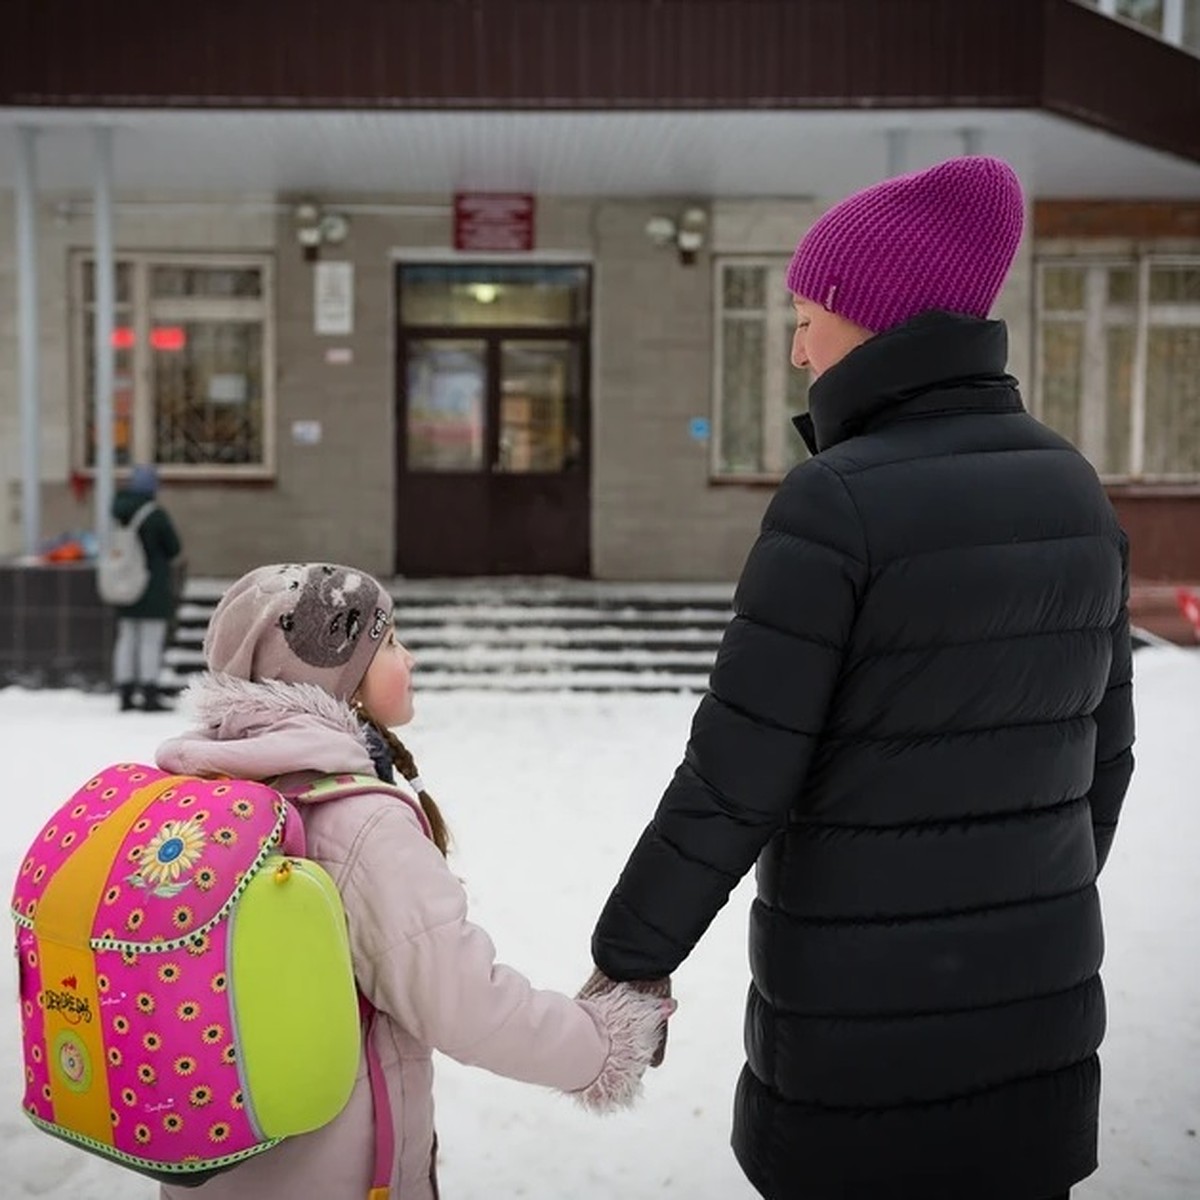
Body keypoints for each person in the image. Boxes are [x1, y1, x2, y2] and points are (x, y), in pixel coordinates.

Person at [588, 157, 1135, 1200]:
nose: (797, 345)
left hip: (857, 1031)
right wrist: (1021, 898)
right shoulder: (1073, 488)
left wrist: (631, 955)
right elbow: (1105, 761)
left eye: (809, 313)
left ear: (876, 320)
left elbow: (736, 773)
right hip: (1035, 1015)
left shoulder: (836, 503)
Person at [154, 562, 672, 1200]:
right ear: (339, 679)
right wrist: (601, 1046)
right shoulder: (357, 825)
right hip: (339, 1176)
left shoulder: (201, 797)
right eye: (390, 642)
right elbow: (463, 1003)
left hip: (213, 1168)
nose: (410, 656)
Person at [110, 463, 183, 711]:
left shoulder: (117, 512)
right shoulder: (154, 514)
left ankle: (125, 691)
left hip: (124, 584)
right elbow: (174, 548)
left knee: (126, 637)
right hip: (151, 585)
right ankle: (149, 690)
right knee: (150, 639)